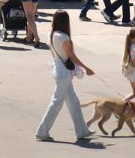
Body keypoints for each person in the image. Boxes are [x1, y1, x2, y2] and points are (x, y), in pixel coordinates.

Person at [35, 10, 95, 142]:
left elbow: (55, 54)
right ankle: (42, 131)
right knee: (56, 103)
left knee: (73, 102)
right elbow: (71, 56)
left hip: (58, 70)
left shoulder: (51, 34)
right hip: (64, 74)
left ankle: (82, 130)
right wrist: (86, 68)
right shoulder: (64, 37)